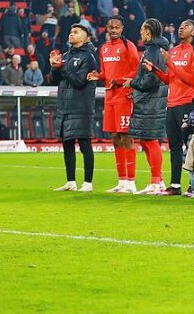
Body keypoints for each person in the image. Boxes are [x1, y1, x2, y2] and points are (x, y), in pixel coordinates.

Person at [148, 19, 194, 196]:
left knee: (190, 145)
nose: (181, 28)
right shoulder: (173, 52)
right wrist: (155, 70)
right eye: (180, 26)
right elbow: (170, 79)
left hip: (188, 103)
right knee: (174, 145)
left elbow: (193, 80)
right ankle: (175, 185)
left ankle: (193, 184)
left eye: (186, 26)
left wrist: (170, 63)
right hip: (171, 104)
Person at [90, 12, 140, 192]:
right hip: (109, 97)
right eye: (110, 27)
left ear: (122, 29)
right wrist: (97, 75)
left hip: (124, 96)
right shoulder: (103, 48)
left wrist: (122, 82)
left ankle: (132, 182)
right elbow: (105, 73)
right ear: (107, 28)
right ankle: (122, 181)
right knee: (114, 137)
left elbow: (137, 70)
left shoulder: (128, 46)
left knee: (126, 136)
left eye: (116, 27)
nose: (113, 30)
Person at [51, 22, 98, 193]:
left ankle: (88, 182)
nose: (71, 34)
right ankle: (70, 181)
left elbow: (79, 82)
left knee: (85, 144)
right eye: (71, 31)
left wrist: (62, 67)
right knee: (67, 144)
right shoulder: (66, 55)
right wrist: (54, 67)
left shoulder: (89, 57)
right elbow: (53, 81)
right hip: (65, 105)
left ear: (84, 37)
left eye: (76, 32)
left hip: (81, 105)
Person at [128, 18, 170, 195]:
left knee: (150, 140)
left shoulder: (153, 51)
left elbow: (152, 79)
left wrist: (134, 83)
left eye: (142, 30)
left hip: (151, 101)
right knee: (146, 140)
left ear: (148, 32)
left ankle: (156, 182)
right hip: (150, 100)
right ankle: (157, 181)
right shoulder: (155, 50)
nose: (140, 33)